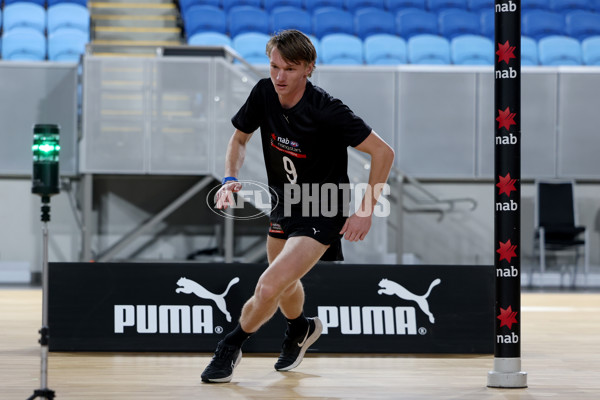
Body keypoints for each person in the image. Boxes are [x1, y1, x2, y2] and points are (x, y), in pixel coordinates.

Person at [201, 29, 395, 383]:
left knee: (268, 285)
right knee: (285, 283)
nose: (279, 76)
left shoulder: (328, 110)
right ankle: (300, 327)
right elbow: (239, 137)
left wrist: (365, 209)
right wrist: (230, 177)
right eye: (274, 66)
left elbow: (384, 152)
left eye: (289, 68)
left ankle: (231, 345)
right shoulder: (263, 93)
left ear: (308, 68)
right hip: (284, 203)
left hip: (323, 207)